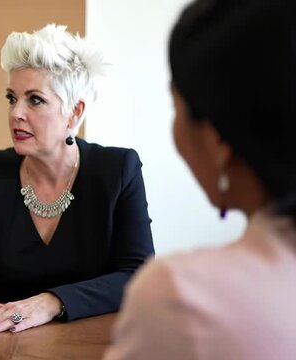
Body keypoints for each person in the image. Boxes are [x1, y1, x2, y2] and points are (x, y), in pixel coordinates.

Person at [0, 24, 154, 334]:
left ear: (73, 113)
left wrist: (53, 302)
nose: (16, 113)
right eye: (11, 98)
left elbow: (139, 274)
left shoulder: (117, 169)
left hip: (92, 345)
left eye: (35, 100)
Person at [104, 0, 296, 358]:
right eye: (11, 97)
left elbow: (132, 267)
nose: (17, 114)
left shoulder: (182, 296)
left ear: (217, 141)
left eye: (176, 108)